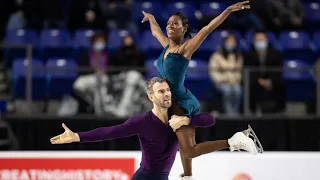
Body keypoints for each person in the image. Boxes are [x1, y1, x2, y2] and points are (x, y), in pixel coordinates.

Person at [141, 0, 263, 178]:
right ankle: (188, 175)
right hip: (171, 101)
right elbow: (155, 31)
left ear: (184, 28)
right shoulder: (167, 46)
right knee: (185, 146)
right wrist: (151, 18)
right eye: (168, 23)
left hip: (180, 103)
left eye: (175, 23)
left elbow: (207, 29)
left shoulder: (185, 49)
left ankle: (236, 140)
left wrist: (228, 10)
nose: (170, 26)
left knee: (189, 150)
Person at [51, 77, 260, 180]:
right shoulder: (141, 122)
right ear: (151, 97)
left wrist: (186, 121)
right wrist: (77, 136)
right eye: (161, 91)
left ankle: (235, 141)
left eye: (168, 90)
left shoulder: (178, 116)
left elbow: (208, 120)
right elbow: (109, 132)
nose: (166, 94)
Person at [244, 29, 286, 114]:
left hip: (271, 81)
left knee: (281, 85)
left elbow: (278, 70)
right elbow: (248, 70)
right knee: (249, 85)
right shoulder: (249, 54)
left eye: (261, 40)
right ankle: (252, 112)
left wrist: (271, 81)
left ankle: (279, 112)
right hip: (256, 81)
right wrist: (260, 81)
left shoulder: (275, 54)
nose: (260, 42)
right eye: (257, 40)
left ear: (266, 40)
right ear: (254, 41)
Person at [209, 34, 243, 116]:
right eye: (229, 42)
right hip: (221, 82)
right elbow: (213, 72)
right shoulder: (216, 56)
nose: (231, 44)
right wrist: (224, 79)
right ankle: (229, 114)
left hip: (234, 82)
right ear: (224, 43)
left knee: (237, 90)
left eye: (233, 42)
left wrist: (236, 79)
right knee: (227, 90)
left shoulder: (238, 56)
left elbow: (240, 71)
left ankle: (235, 112)